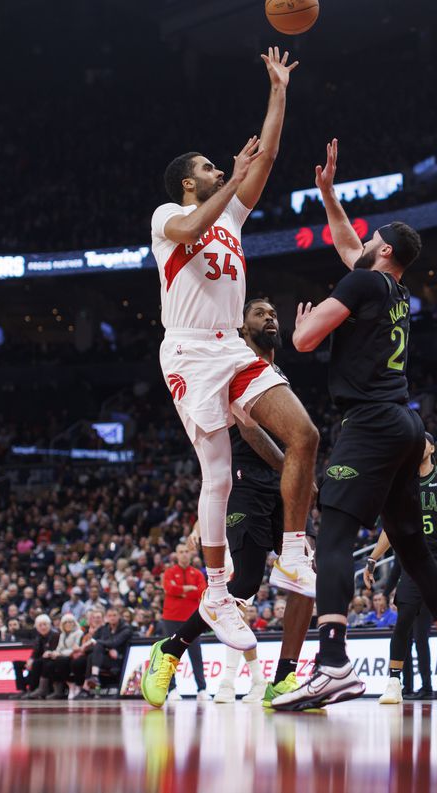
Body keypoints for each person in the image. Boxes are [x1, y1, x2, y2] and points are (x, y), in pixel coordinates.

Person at [272, 139, 437, 710]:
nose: (360, 243)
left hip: (368, 423)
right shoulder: (394, 289)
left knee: (336, 534)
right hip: (407, 424)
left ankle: (334, 662)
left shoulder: (366, 283)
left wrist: (304, 322)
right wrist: (328, 196)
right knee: (412, 547)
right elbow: (350, 249)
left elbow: (303, 340)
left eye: (371, 240)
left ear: (383, 248)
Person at [145, 46, 317, 668]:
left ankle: (294, 547)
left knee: (304, 433)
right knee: (217, 474)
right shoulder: (171, 213)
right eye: (213, 167)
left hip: (230, 345)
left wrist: (278, 91)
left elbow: (266, 156)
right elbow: (193, 232)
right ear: (192, 181)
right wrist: (232, 181)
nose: (225, 170)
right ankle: (216, 595)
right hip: (188, 351)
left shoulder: (233, 218)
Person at [165, 297, 320, 708]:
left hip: (279, 484)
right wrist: (296, 465)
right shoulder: (232, 361)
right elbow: (251, 433)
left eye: (274, 312)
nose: (270, 317)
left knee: (304, 575)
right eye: (259, 313)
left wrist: (296, 474)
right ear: (239, 324)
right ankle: (172, 649)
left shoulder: (275, 373)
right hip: (243, 484)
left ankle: (284, 678)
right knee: (247, 581)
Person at [365, 431, 437, 704]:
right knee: (403, 622)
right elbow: (390, 529)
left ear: (431, 447)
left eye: (421, 442)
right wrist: (372, 558)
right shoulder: (401, 483)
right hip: (414, 560)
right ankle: (394, 682)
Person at [155, 542, 206, 702]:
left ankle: (202, 689)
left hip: (192, 620)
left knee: (196, 655)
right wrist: (189, 589)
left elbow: (202, 592)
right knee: (169, 655)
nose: (184, 554)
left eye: (186, 551)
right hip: (171, 618)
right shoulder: (169, 572)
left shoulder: (197, 573)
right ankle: (172, 689)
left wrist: (181, 590)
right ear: (176, 555)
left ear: (190, 554)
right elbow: (169, 589)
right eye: (181, 551)